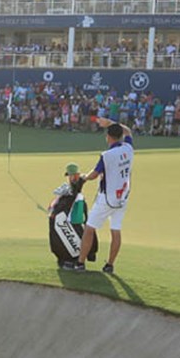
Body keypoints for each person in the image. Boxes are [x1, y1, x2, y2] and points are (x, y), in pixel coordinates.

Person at [67, 115, 133, 273]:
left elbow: (94, 174)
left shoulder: (107, 155)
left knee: (89, 229)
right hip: (122, 198)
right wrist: (110, 123)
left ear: (108, 137)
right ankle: (110, 265)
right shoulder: (128, 148)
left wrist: (82, 177)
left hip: (107, 198)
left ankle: (80, 263)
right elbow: (129, 131)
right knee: (115, 230)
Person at [48, 163, 97, 268]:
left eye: (73, 175)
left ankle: (71, 258)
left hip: (75, 212)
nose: (71, 177)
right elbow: (58, 197)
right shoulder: (67, 187)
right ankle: (68, 258)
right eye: (69, 175)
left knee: (77, 230)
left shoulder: (78, 183)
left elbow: (85, 178)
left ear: (77, 174)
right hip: (71, 212)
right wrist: (52, 207)